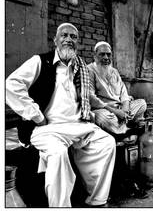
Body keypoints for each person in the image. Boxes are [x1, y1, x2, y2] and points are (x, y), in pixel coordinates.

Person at [6, 23, 116, 207]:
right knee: (58, 155)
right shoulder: (40, 61)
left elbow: (88, 97)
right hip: (48, 129)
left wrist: (98, 112)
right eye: (64, 35)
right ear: (55, 40)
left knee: (107, 143)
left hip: (78, 125)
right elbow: (11, 85)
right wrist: (36, 115)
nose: (69, 40)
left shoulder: (80, 67)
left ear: (78, 43)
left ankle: (96, 201)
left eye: (73, 37)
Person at [87, 41, 147, 136]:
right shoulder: (89, 70)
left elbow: (124, 93)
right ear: (95, 55)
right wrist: (116, 112)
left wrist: (124, 110)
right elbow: (91, 98)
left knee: (142, 104)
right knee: (103, 118)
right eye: (102, 54)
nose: (106, 58)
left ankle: (122, 126)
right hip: (104, 110)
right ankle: (127, 130)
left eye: (108, 55)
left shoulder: (114, 71)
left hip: (120, 108)